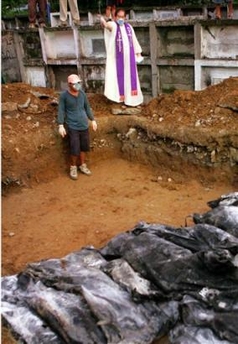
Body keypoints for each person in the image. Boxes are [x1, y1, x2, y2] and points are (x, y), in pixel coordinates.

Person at [100, 8, 144, 107]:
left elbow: (134, 40)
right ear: (115, 17)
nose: (120, 18)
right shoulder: (114, 25)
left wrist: (138, 53)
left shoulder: (129, 27)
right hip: (118, 60)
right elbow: (107, 26)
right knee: (118, 78)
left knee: (130, 78)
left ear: (125, 17)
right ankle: (119, 99)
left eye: (122, 17)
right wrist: (103, 21)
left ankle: (131, 100)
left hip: (129, 60)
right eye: (119, 16)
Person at [57, 74, 97, 180]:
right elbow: (61, 110)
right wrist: (60, 125)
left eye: (79, 83)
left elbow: (87, 107)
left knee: (83, 147)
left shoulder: (82, 94)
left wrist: (92, 120)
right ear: (69, 84)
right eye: (75, 84)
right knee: (75, 148)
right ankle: (73, 167)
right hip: (72, 126)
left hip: (84, 125)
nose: (78, 85)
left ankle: (82, 165)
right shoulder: (64, 96)